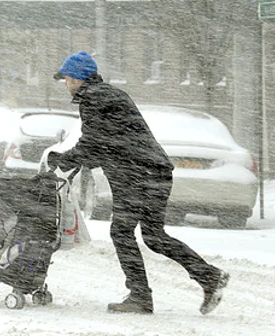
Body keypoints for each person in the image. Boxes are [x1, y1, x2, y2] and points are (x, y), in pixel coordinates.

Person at [48, 51, 229, 315]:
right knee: (155, 236)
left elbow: (94, 143)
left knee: (121, 232)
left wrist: (64, 159)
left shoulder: (92, 98)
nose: (65, 83)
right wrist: (73, 160)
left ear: (78, 78)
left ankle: (140, 296)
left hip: (135, 176)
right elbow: (106, 145)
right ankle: (209, 277)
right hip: (155, 172)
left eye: (67, 78)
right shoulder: (110, 95)